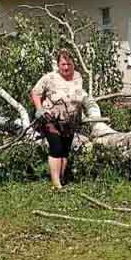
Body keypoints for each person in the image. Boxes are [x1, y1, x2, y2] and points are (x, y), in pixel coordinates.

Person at [30, 49, 92, 190]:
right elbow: (35, 92)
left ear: (73, 64)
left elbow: (80, 95)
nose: (66, 67)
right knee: (56, 148)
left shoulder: (78, 77)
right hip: (51, 119)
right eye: (63, 64)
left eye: (69, 64)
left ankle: (61, 179)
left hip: (69, 121)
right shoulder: (49, 78)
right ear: (58, 65)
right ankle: (56, 184)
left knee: (65, 150)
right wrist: (39, 109)